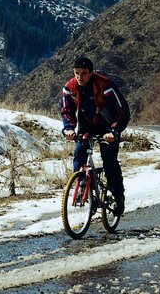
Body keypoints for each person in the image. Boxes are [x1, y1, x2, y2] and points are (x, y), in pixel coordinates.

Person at [60, 56, 130, 216]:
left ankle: (118, 195)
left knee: (110, 162)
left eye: (83, 73)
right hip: (86, 127)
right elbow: (66, 111)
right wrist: (69, 128)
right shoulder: (69, 88)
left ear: (91, 73)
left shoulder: (105, 86)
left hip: (107, 127)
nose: (79, 77)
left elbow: (122, 111)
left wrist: (114, 131)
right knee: (79, 156)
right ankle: (84, 190)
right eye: (76, 73)